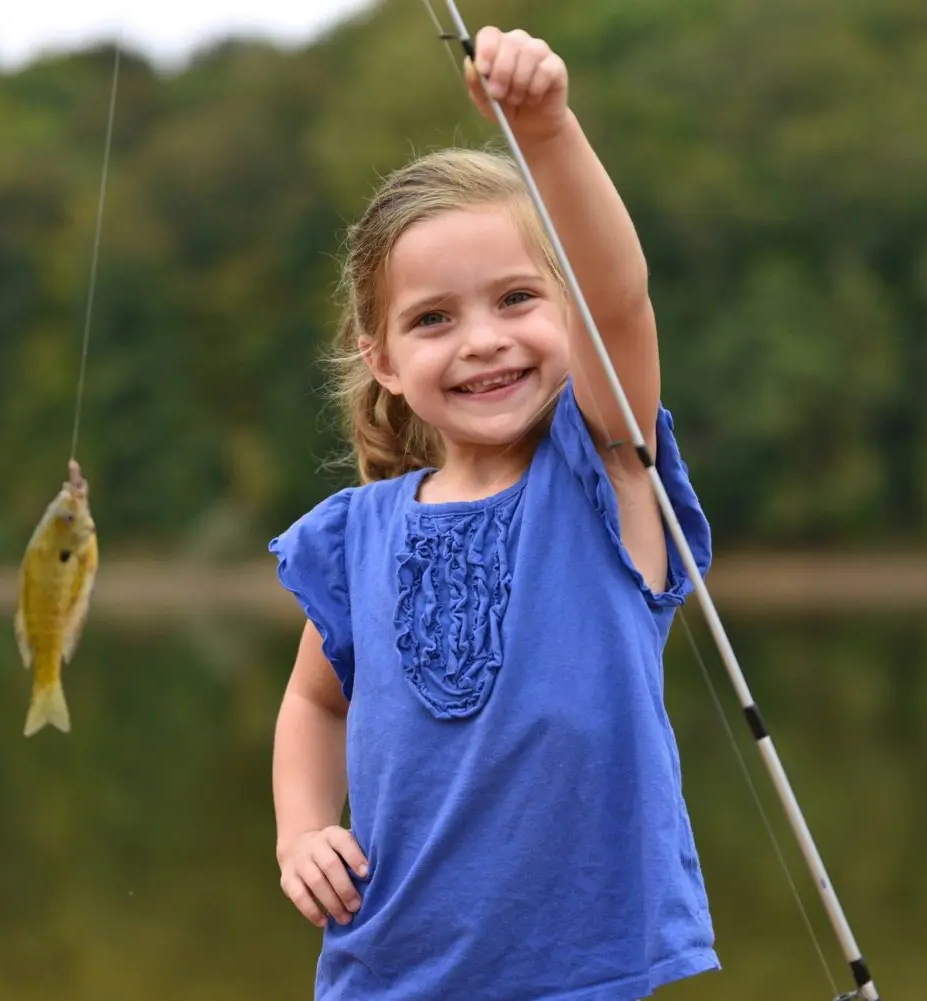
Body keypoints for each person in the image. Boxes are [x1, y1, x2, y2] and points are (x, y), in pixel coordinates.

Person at [268, 24, 718, 1001]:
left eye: (518, 298)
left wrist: (547, 131)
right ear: (382, 357)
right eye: (434, 318)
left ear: (567, 313)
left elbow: (622, 300)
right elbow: (314, 700)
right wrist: (302, 827)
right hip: (383, 970)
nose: (482, 341)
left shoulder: (603, 469)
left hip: (580, 974)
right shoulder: (355, 533)